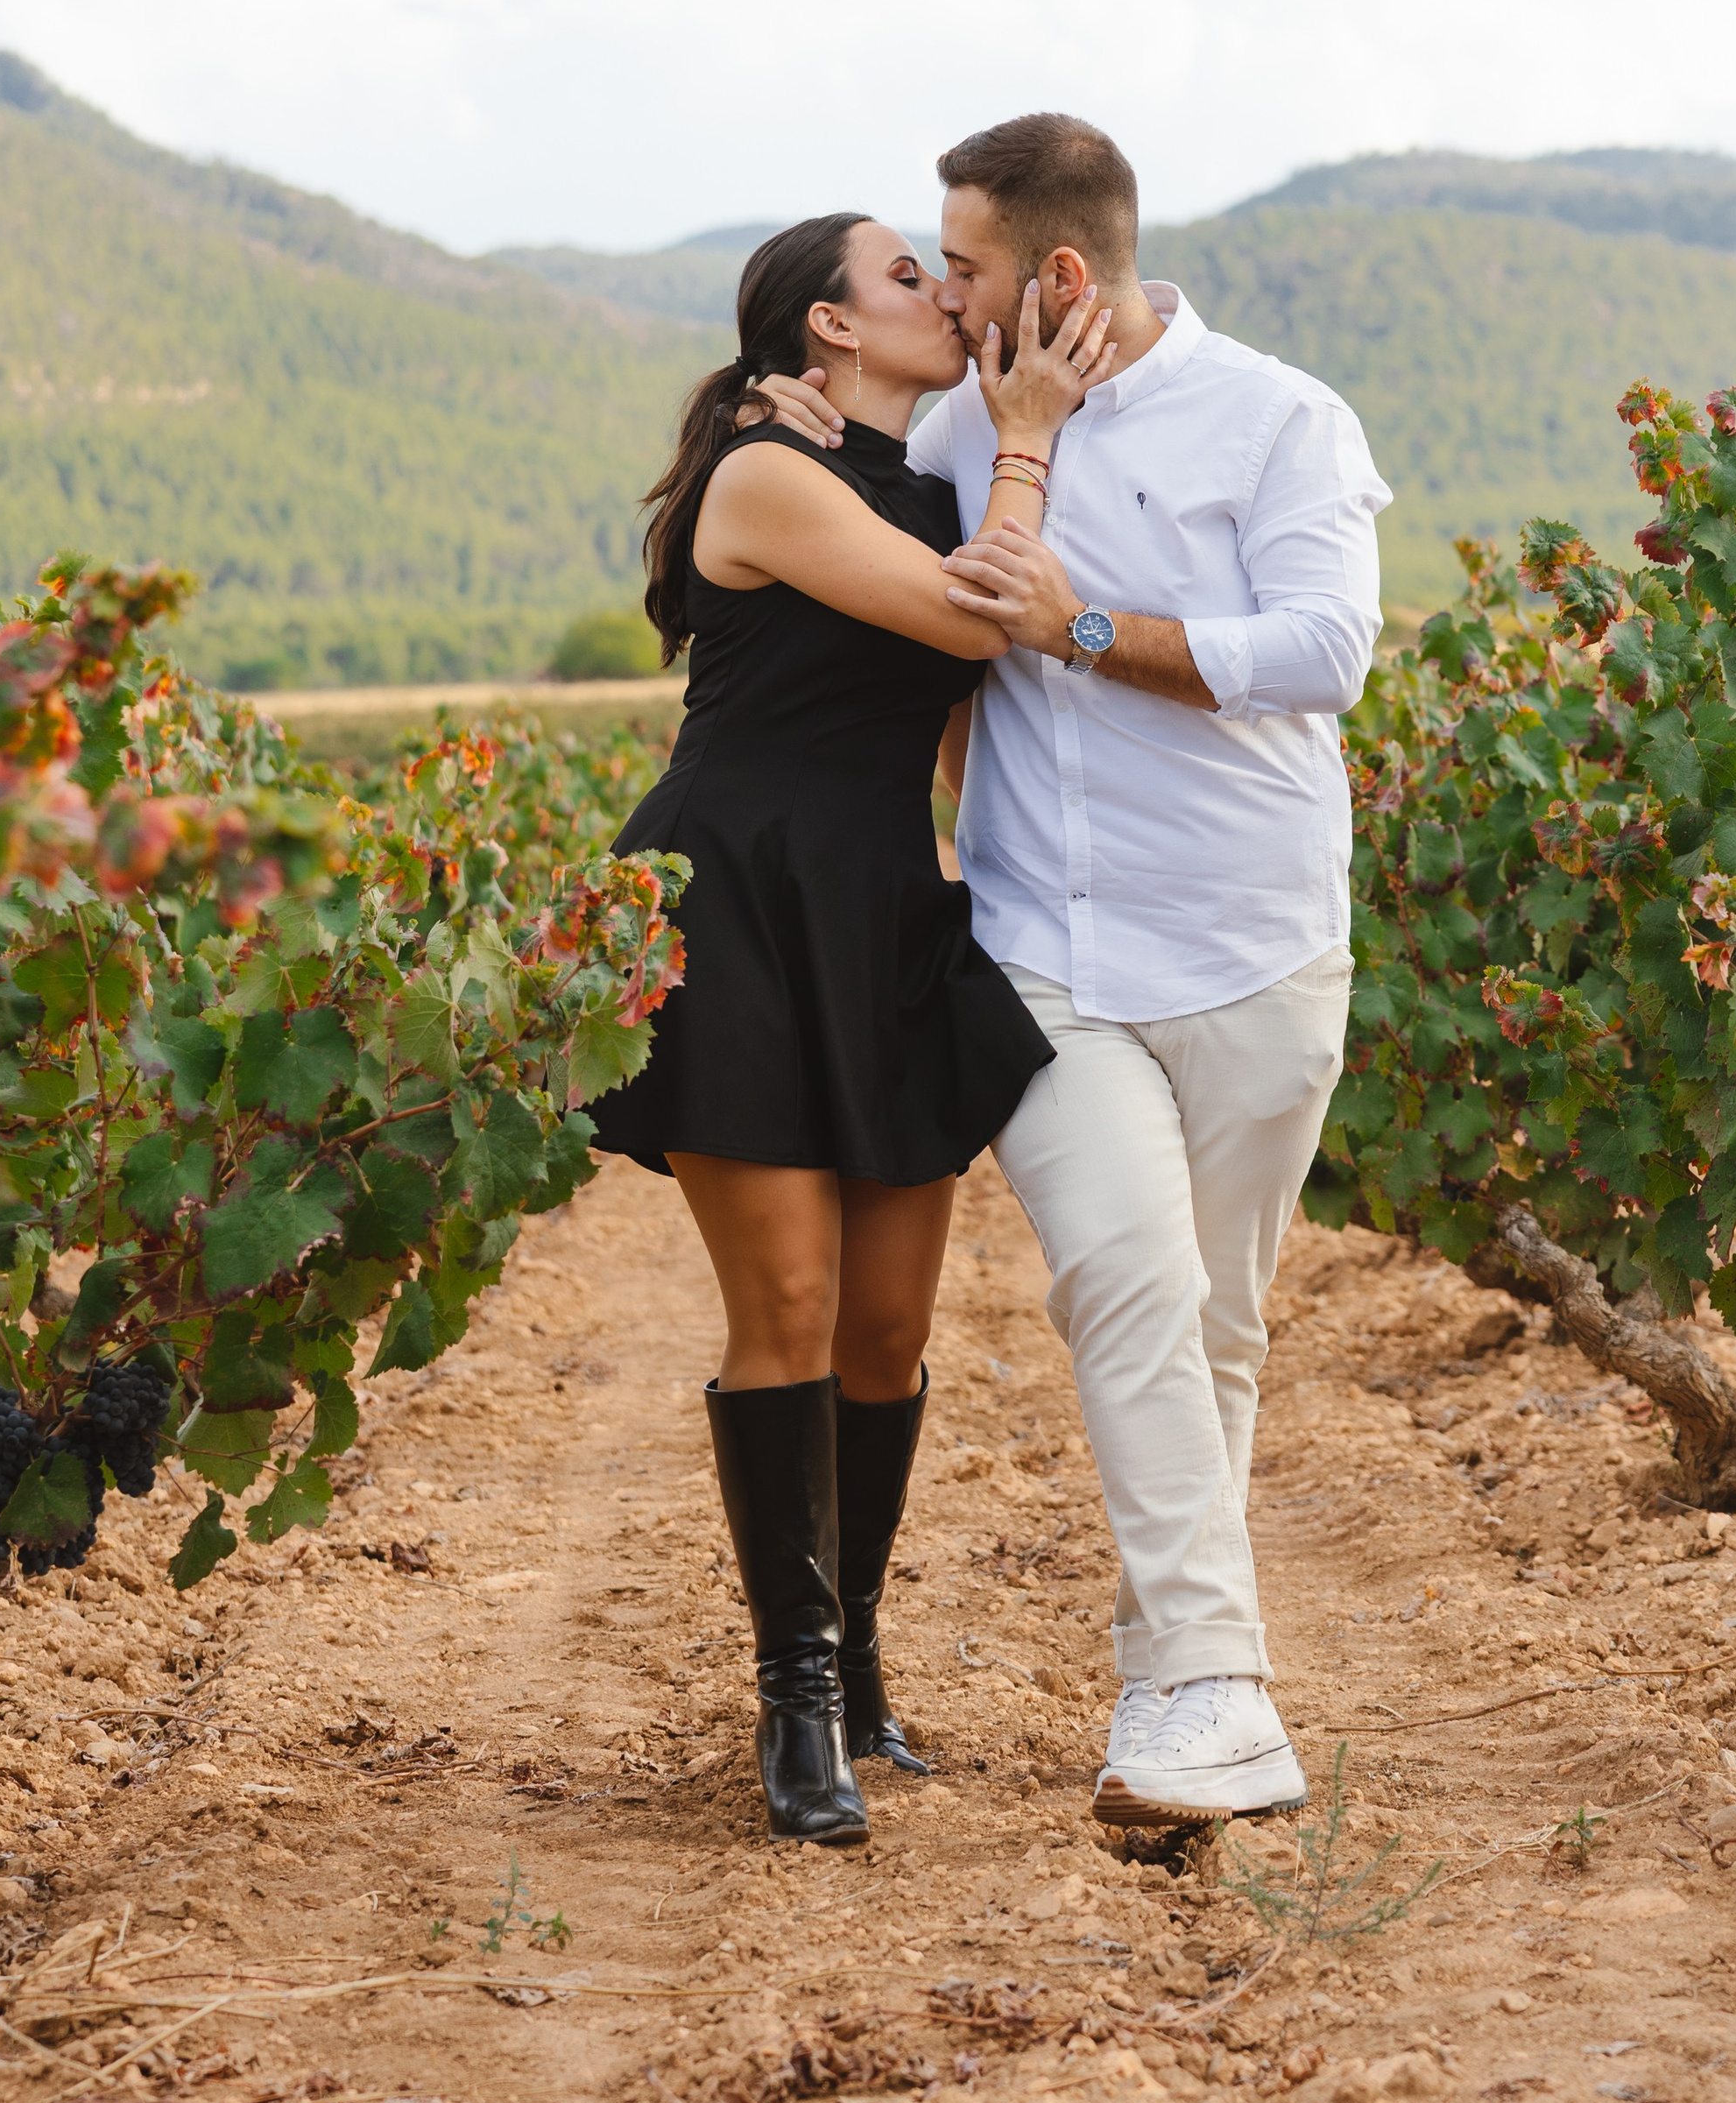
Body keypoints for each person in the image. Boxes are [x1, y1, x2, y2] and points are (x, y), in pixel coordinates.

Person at [756, 115, 1390, 1830]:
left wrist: (1080, 625)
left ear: (1049, 274)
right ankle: (1208, 1694)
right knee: (1123, 1287)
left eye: (955, 267)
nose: (939, 294)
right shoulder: (954, 426)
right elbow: (832, 517)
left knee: (1216, 1326)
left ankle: (1165, 1662)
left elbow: (1324, 650)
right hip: (1039, 949)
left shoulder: (1277, 417)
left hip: (1255, 942)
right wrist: (784, 419)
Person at [588, 211, 1116, 1845]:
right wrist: (1030, 439)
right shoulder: (764, 474)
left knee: (889, 1330)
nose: (944, 296)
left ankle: (864, 1666)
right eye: (909, 276)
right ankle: (796, 1702)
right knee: (796, 1306)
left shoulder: (924, 482)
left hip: (885, 906)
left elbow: (969, 714)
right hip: (735, 901)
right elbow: (975, 626)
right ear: (827, 327)